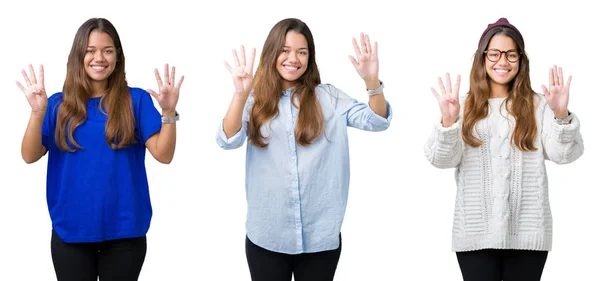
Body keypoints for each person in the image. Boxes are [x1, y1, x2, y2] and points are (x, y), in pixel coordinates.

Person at [216, 18, 392, 281]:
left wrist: (372, 82)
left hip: (320, 238)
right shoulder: (255, 101)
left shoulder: (329, 97)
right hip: (267, 237)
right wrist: (240, 95)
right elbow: (228, 139)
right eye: (285, 50)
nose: (293, 59)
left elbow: (377, 121)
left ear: (310, 57)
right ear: (272, 53)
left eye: (302, 52)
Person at [17, 17, 183, 281]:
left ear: (117, 56)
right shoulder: (57, 105)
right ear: (78, 56)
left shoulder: (136, 100)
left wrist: (168, 112)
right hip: (71, 231)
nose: (99, 58)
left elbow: (164, 155)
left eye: (107, 50)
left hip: (125, 232)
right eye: (90, 50)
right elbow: (29, 155)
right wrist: (38, 112)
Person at [424, 17, 584, 281]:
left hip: (527, 234)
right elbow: (441, 160)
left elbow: (564, 155)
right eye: (495, 53)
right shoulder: (461, 105)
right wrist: (449, 121)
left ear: (521, 59)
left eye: (511, 54)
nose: (502, 61)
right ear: (483, 58)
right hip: (475, 233)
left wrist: (560, 113)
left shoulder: (539, 104)